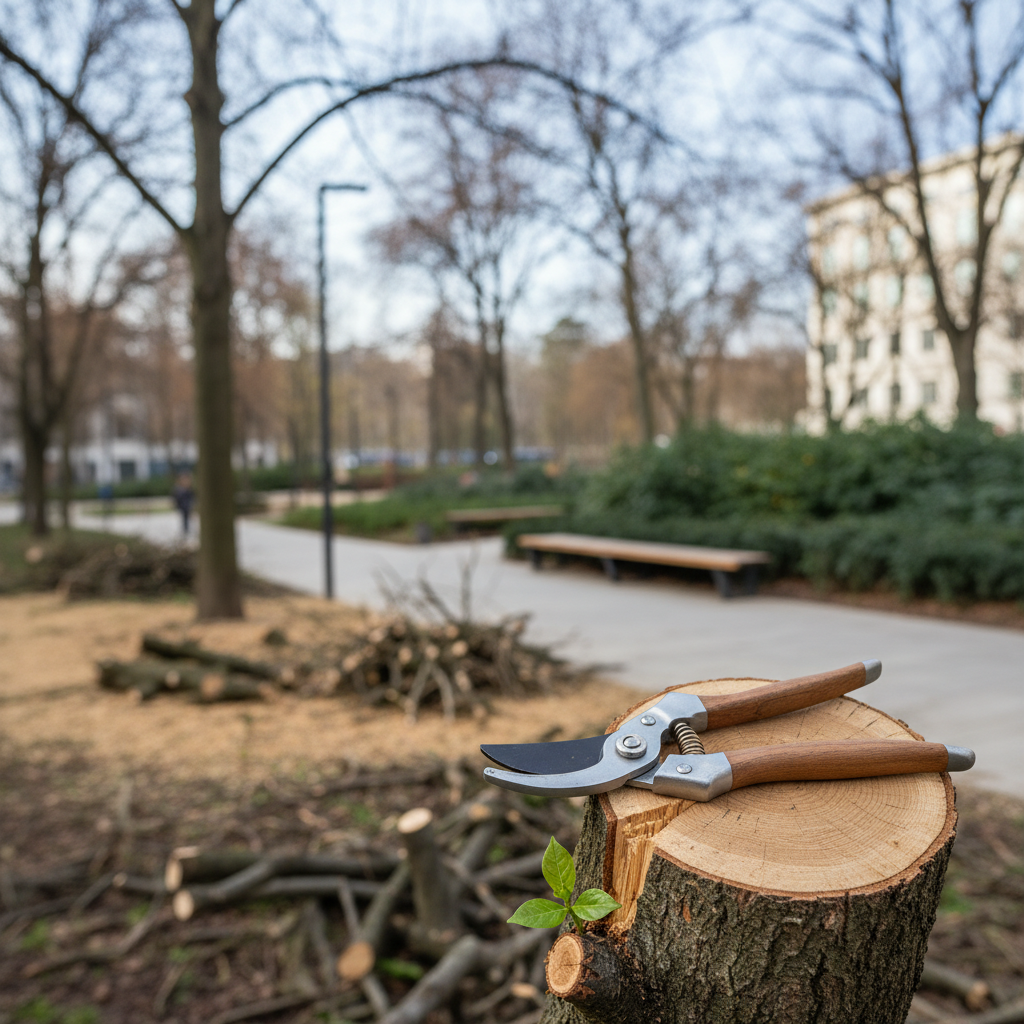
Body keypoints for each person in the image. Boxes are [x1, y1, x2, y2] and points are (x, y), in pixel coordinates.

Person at [172, 472, 195, 536]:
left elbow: (192, 497)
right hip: (183, 506)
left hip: (187, 506)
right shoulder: (178, 489)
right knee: (185, 518)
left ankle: (187, 530)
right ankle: (186, 530)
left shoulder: (188, 488)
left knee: (188, 518)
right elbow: (176, 498)